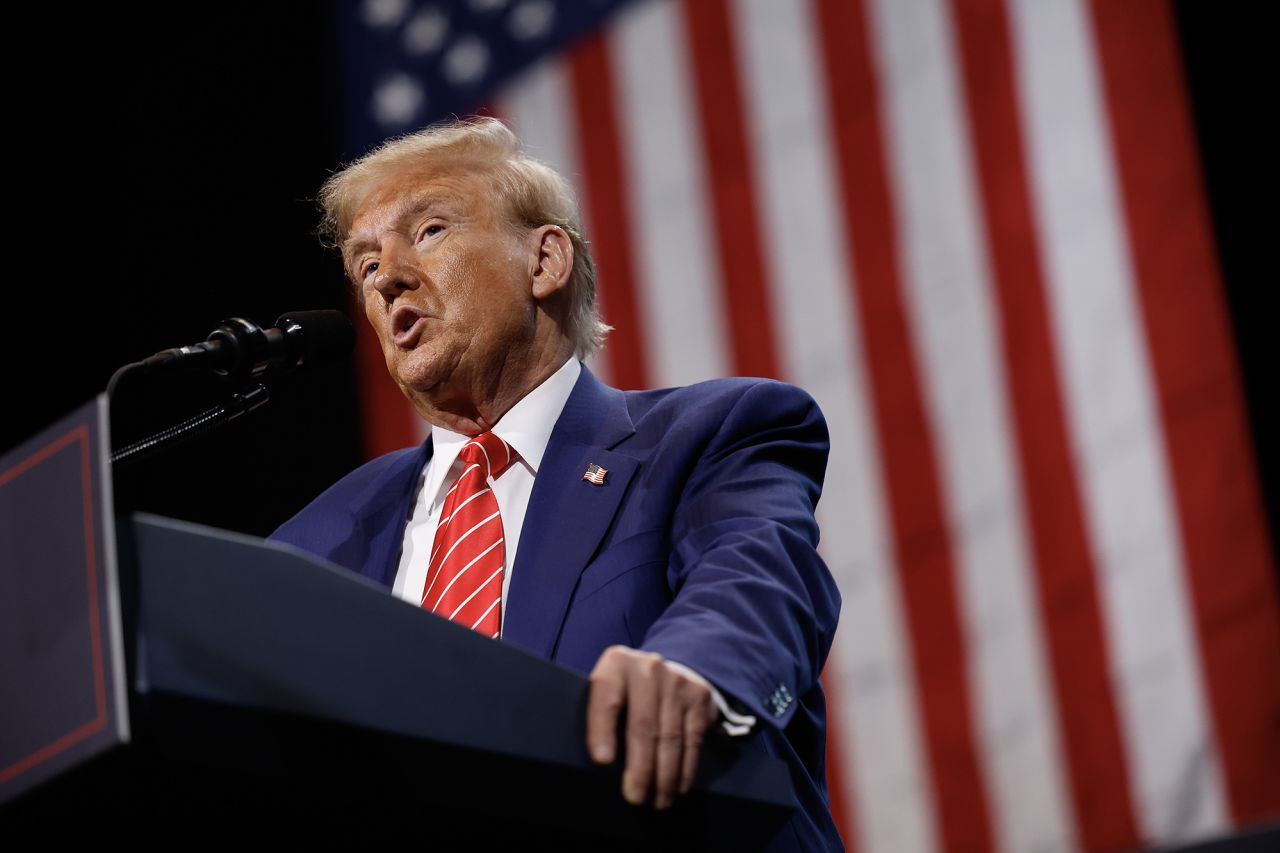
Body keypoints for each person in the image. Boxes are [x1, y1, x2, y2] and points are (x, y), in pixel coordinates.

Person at [270, 118, 842, 850]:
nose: (388, 277)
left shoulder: (706, 435)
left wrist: (694, 670)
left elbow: (759, 575)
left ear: (544, 260)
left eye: (431, 229)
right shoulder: (313, 544)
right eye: (365, 263)